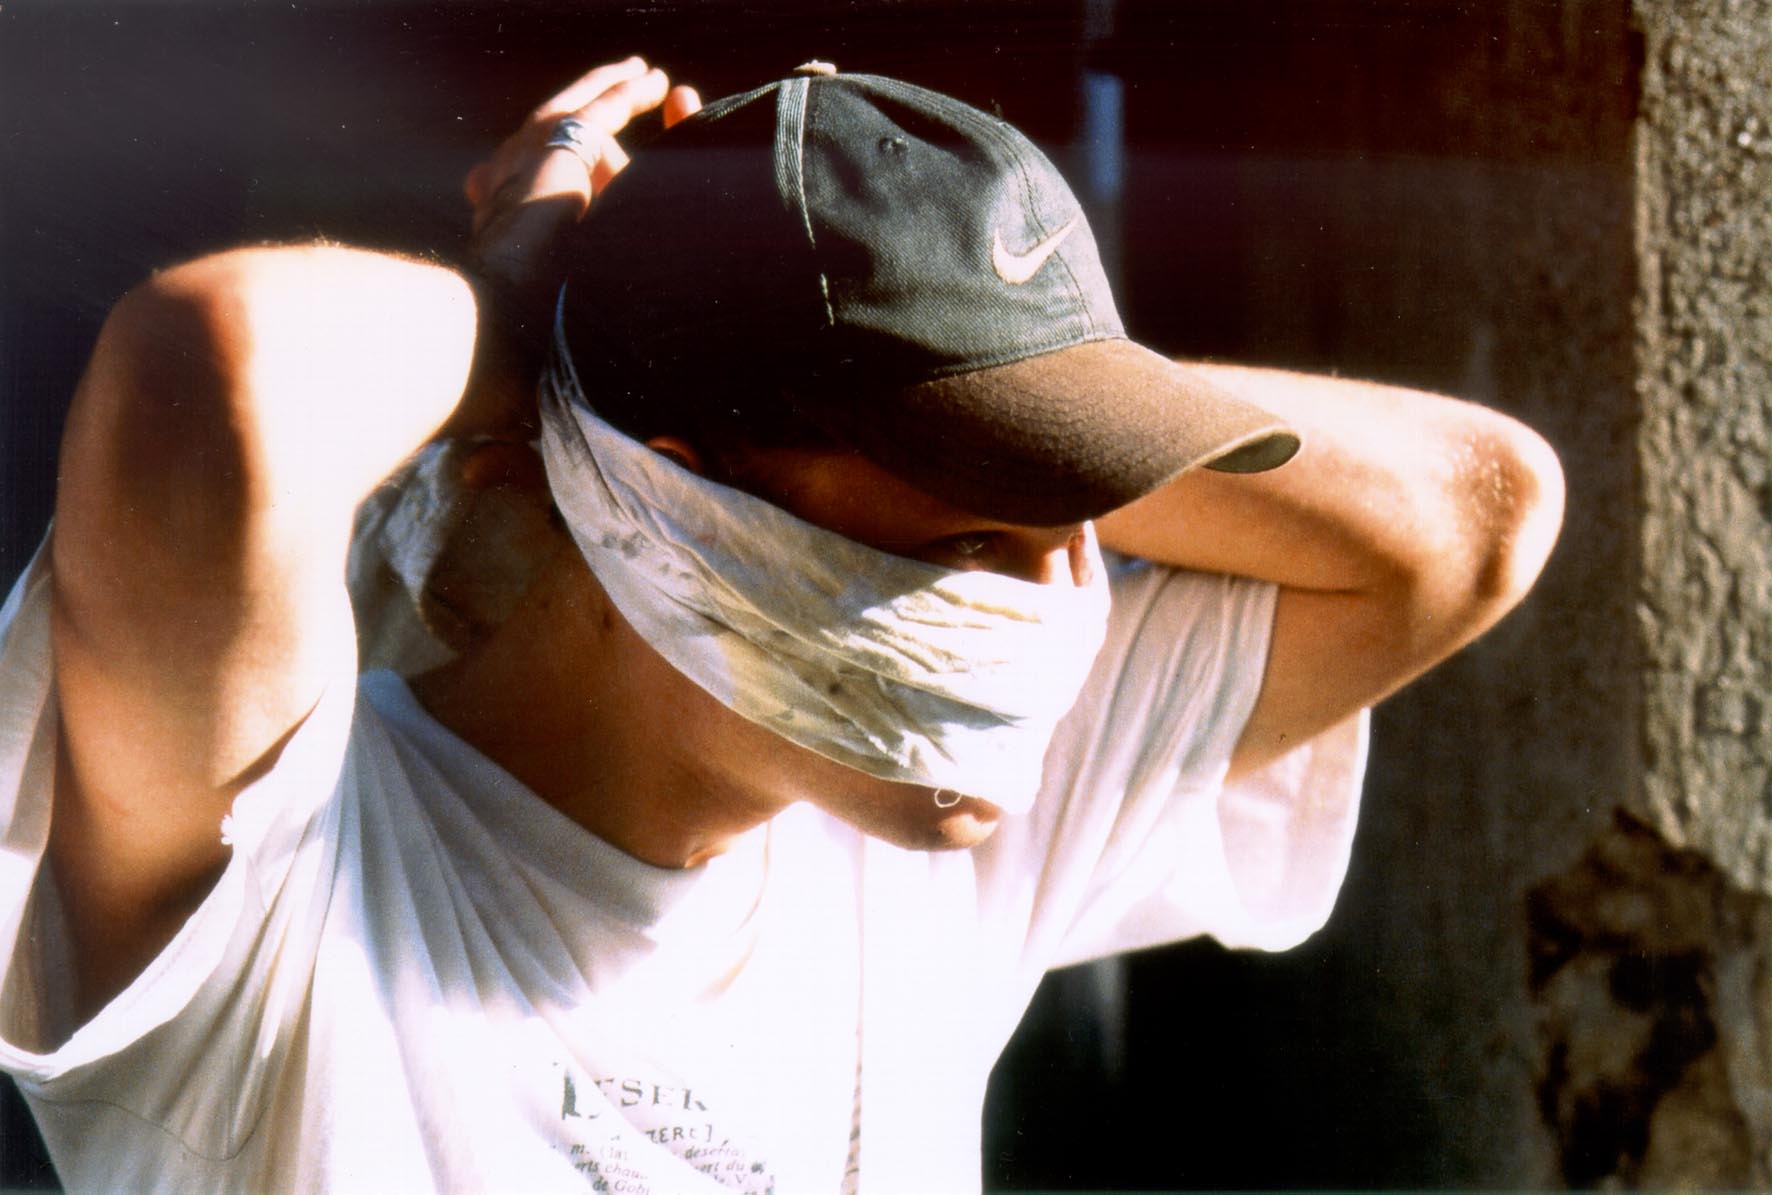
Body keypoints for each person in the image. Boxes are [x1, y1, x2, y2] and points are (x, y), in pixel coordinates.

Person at [0, 56, 1562, 1193]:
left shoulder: (924, 821)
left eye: (1087, 524)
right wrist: (526, 301)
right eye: (972, 535)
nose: (1057, 617)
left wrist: (1047, 385)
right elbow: (208, 375)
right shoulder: (287, 884)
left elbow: (1473, 513)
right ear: (675, 508)